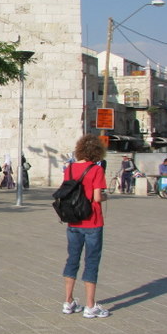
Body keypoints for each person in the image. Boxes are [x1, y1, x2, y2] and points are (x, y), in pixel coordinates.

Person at [62, 134, 109, 318]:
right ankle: (90, 306)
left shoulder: (70, 168)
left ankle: (68, 301)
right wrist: (106, 197)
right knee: (91, 262)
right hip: (93, 222)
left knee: (72, 259)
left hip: (73, 220)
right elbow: (97, 197)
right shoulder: (96, 170)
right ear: (97, 151)